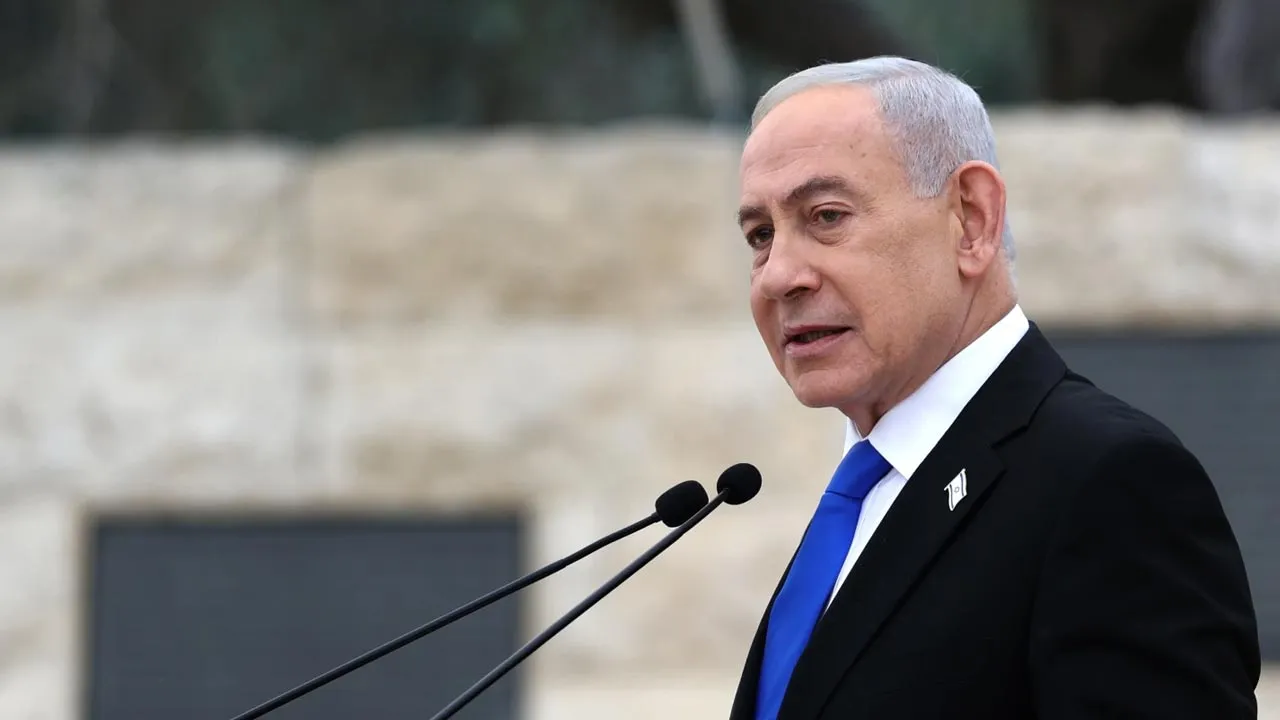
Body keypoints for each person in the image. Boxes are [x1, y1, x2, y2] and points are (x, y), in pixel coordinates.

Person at [729, 56, 1260, 719]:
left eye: (827, 216)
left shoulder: (1109, 483)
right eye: (760, 235)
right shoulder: (864, 495)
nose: (780, 275)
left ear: (972, 219)